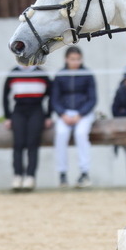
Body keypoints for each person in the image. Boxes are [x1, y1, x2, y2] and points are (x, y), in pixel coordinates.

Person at [52, 46, 96, 188]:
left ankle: (84, 173)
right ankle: (62, 174)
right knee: (61, 134)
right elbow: (54, 99)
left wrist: (81, 114)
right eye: (72, 59)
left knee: (81, 134)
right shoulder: (60, 75)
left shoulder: (87, 74)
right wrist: (62, 113)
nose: (75, 62)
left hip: (83, 114)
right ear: (66, 59)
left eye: (78, 59)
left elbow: (92, 99)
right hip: (65, 113)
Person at [3, 64, 52, 191]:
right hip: (19, 109)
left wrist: (48, 115)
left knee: (32, 143)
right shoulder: (13, 72)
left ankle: (30, 177)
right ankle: (18, 175)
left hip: (36, 109)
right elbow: (5, 96)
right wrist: (8, 116)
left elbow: (51, 94)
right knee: (18, 143)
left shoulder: (41, 73)